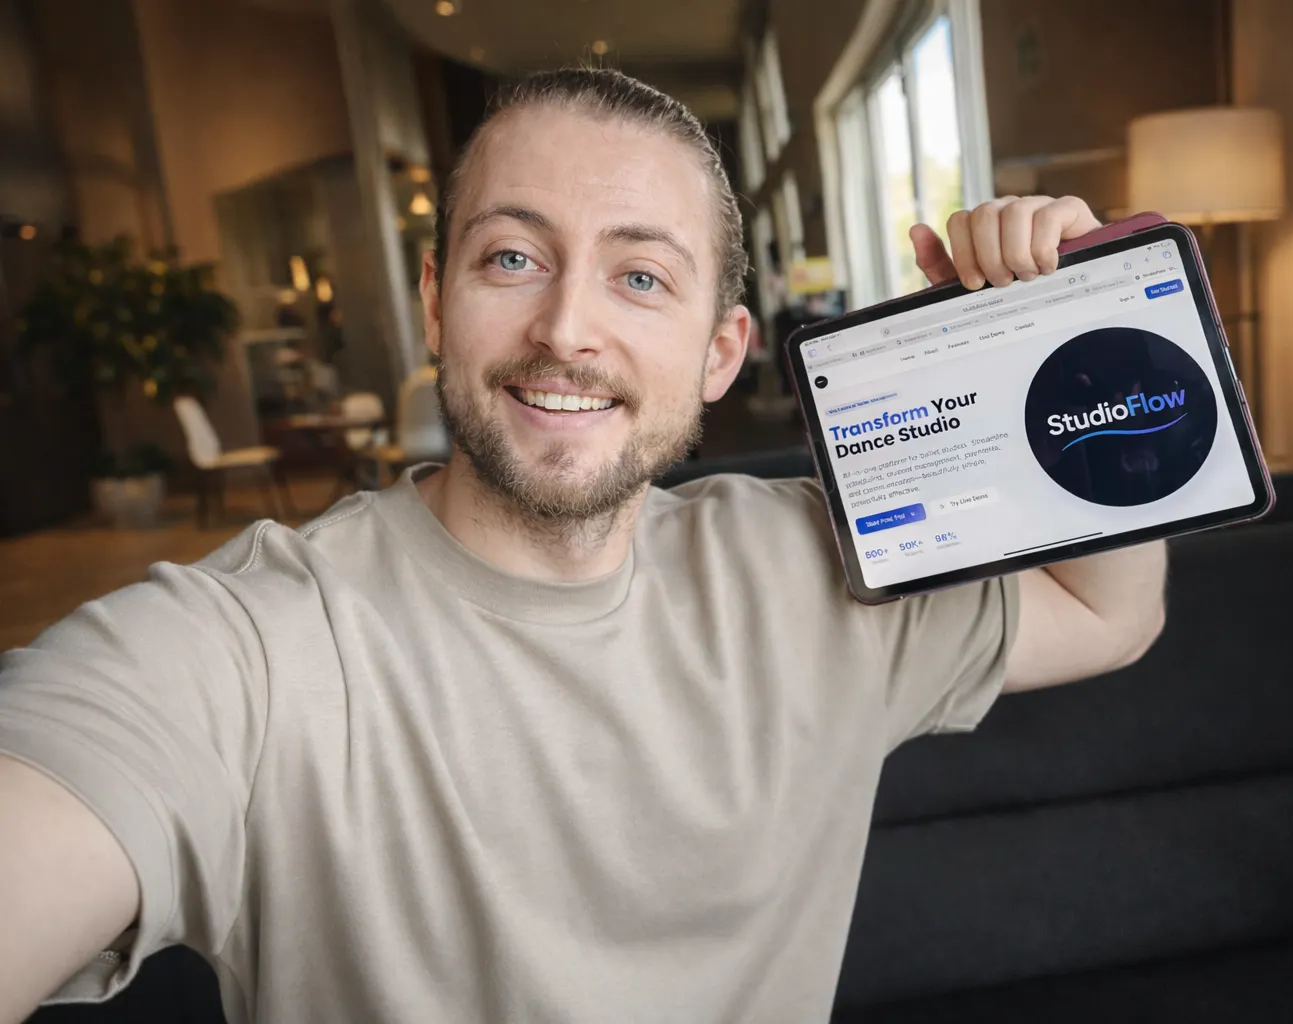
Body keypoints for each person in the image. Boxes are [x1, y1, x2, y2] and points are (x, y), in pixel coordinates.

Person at [0, 69, 1166, 1024]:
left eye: (641, 276)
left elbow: (1110, 612)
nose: (566, 328)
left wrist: (1085, 325)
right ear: (436, 304)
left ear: (721, 353)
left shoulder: (817, 570)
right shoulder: (244, 648)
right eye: (513, 257)